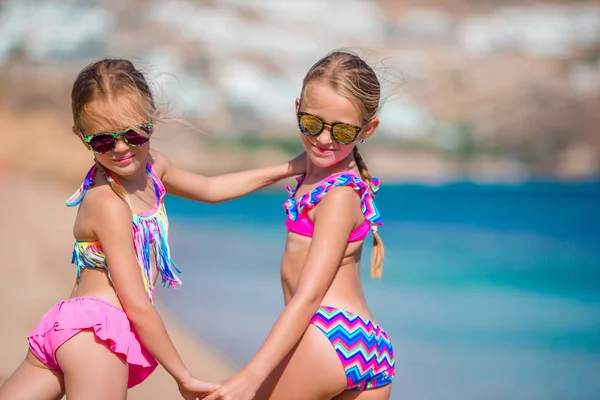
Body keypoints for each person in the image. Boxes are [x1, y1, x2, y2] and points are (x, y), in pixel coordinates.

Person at [0, 58, 305, 400]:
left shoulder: (153, 168)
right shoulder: (108, 203)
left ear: (152, 120)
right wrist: (182, 375)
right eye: (102, 141)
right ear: (80, 136)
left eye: (133, 133)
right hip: (98, 334)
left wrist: (290, 167)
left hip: (68, 325)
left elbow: (211, 189)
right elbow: (137, 304)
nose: (121, 148)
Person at [206, 50, 396, 400]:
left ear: (367, 129)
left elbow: (308, 297)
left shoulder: (337, 197)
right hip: (366, 347)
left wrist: (251, 376)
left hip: (329, 335)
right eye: (311, 124)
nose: (324, 139)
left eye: (342, 131)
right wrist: (152, 170)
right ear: (297, 110)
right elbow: (212, 189)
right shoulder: (322, 174)